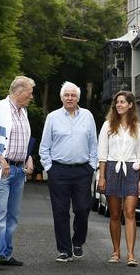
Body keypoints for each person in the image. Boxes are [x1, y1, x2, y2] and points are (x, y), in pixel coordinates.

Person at [0, 76, 35, 267]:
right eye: (30, 93)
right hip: (2, 169)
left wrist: (28, 157)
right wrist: (0, 159)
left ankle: (7, 253)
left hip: (19, 169)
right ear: (19, 92)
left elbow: (25, 140)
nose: (31, 96)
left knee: (13, 215)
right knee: (1, 213)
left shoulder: (23, 111)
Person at [39, 81, 98, 263]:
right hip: (59, 171)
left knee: (82, 209)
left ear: (78, 98)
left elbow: (93, 145)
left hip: (82, 171)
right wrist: (50, 168)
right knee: (60, 211)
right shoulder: (52, 117)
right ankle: (64, 250)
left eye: (73, 95)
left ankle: (78, 241)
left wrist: (91, 167)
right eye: (67, 95)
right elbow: (44, 147)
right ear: (61, 97)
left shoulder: (87, 116)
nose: (70, 98)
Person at [96, 91, 140, 267]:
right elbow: (102, 153)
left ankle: (131, 255)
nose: (119, 105)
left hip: (131, 171)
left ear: (131, 105)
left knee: (130, 212)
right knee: (115, 213)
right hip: (111, 169)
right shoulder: (108, 125)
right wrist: (101, 176)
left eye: (123, 102)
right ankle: (116, 252)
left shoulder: (138, 128)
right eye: (117, 102)